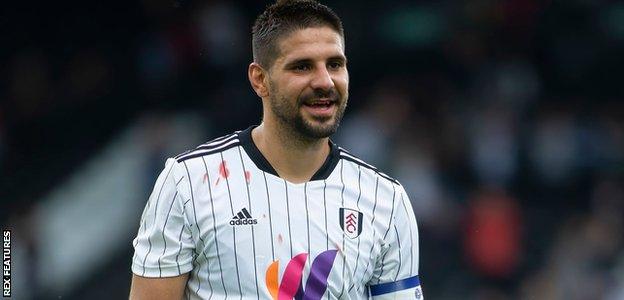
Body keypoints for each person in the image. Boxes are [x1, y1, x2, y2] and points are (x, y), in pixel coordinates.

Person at [129, 0, 423, 299]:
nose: (324, 81)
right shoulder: (188, 182)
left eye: (335, 64)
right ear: (260, 79)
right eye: (302, 66)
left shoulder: (385, 199)